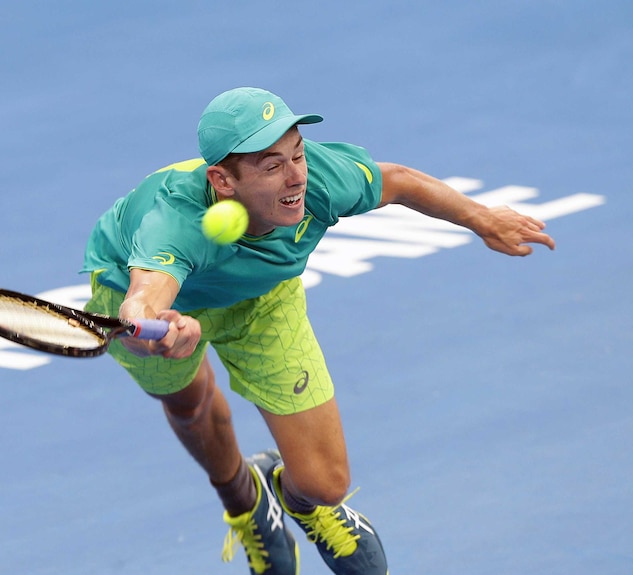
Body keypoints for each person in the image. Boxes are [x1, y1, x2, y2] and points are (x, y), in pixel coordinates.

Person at [81, 87, 555, 575]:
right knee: (189, 404)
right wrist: (149, 329)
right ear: (223, 181)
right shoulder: (175, 222)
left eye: (298, 153)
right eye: (272, 166)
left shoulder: (319, 182)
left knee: (326, 483)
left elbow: (402, 181)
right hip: (158, 298)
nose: (296, 177)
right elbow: (146, 293)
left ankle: (296, 500)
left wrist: (483, 219)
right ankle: (246, 506)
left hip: (263, 299)